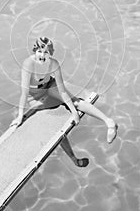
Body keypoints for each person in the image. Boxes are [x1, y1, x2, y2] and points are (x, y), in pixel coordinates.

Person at [10, 36, 118, 166]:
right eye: (39, 51)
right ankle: (73, 159)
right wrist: (20, 116)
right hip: (34, 97)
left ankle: (109, 122)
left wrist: (74, 112)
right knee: (53, 126)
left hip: (50, 87)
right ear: (35, 51)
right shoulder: (28, 64)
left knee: (75, 102)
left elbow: (62, 91)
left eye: (46, 52)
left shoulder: (54, 64)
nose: (42, 55)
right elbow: (24, 93)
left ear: (50, 54)